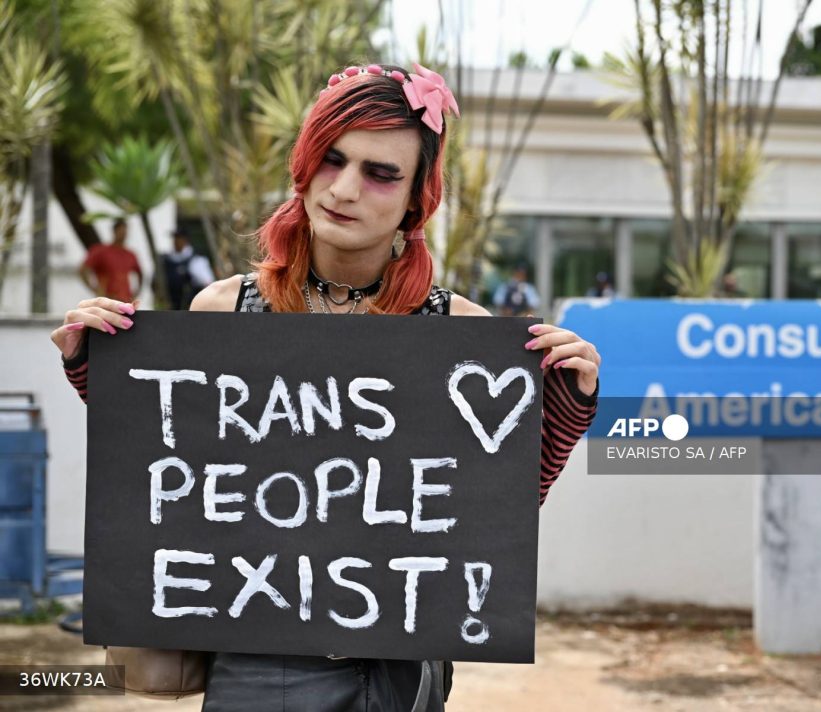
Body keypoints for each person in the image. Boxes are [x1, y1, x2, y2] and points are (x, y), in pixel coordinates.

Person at [50, 62, 600, 712]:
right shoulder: (224, 312)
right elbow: (177, 477)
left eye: (380, 173)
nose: (344, 189)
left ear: (415, 198)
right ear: (305, 164)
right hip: (257, 657)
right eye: (332, 159)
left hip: (395, 664)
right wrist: (105, 369)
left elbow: (483, 514)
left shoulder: (457, 332)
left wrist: (567, 404)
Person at [79, 218, 142, 302]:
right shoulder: (100, 251)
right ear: (114, 231)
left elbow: (140, 274)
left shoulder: (130, 254)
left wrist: (136, 293)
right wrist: (94, 289)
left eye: (125, 231)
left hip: (126, 300)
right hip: (107, 299)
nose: (123, 234)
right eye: (121, 230)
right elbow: (83, 270)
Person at [161, 229, 216, 309]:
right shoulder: (167, 260)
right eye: (174, 238)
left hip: (188, 307)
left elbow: (207, 284)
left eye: (178, 238)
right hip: (170, 307)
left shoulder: (196, 260)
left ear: (185, 240)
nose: (175, 241)